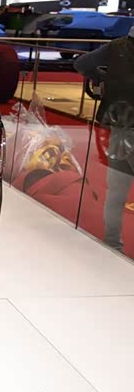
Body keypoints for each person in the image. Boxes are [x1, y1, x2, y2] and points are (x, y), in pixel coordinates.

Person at [74, 26, 134, 252]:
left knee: (116, 192)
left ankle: (112, 242)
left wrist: (102, 77)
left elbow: (81, 64)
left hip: (119, 127)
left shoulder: (116, 46)